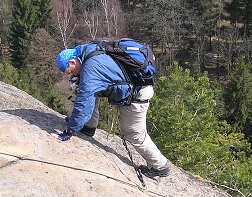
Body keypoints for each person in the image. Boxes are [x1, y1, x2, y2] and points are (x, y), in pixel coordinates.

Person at [54, 42, 170, 177]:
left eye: (71, 71)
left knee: (133, 134)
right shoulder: (90, 49)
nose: (72, 75)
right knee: (89, 87)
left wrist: (70, 130)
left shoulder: (90, 68)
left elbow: (83, 102)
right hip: (136, 87)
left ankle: (160, 166)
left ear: (72, 62)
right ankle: (89, 126)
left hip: (138, 95)